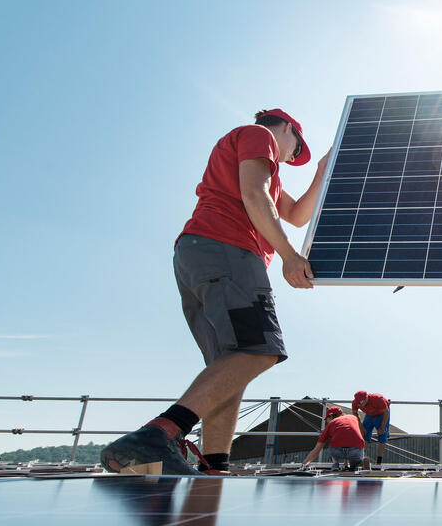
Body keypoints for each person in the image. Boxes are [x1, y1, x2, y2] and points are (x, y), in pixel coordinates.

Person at [100, 109, 329, 475]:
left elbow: (297, 215)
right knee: (260, 350)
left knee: (230, 368)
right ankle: (158, 434)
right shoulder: (258, 136)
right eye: (294, 147)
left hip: (197, 255)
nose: (290, 156)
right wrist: (288, 256)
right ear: (286, 128)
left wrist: (321, 173)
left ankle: (214, 463)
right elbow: (255, 195)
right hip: (228, 248)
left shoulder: (261, 163)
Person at [302, 406, 366, 471]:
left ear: (331, 417)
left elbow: (317, 450)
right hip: (356, 451)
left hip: (337, 451)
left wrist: (304, 464)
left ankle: (335, 464)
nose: (327, 421)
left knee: (334, 443)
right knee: (353, 446)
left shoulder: (331, 424)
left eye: (327, 419)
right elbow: (349, 434)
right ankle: (356, 466)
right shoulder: (353, 417)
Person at [352, 390, 391, 465]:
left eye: (362, 402)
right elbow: (355, 414)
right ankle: (361, 459)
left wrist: (382, 427)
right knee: (363, 435)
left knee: (382, 435)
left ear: (366, 398)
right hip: (369, 415)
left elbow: (386, 411)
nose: (360, 405)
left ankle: (379, 462)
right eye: (358, 403)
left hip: (382, 414)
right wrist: (361, 426)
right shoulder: (355, 403)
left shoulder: (377, 399)